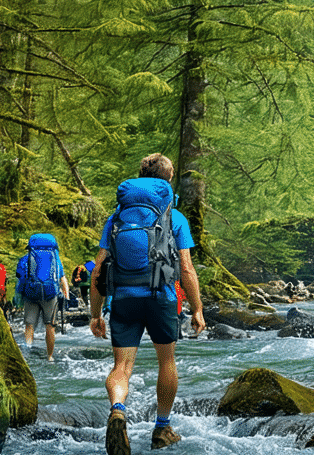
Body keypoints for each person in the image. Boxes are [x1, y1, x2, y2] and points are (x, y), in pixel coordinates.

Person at [90, 153, 205, 454]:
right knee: (166, 362)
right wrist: (198, 308)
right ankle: (162, 429)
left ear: (140, 176)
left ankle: (118, 409)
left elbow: (98, 270)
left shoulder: (116, 218)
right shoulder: (174, 217)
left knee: (122, 367)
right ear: (168, 180)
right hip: (161, 298)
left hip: (124, 299)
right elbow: (187, 268)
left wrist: (95, 313)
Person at [15, 233, 69, 362]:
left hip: (30, 295)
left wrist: (18, 298)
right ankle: (49, 356)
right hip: (51, 295)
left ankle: (27, 353)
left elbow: (20, 279)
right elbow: (62, 279)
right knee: (50, 326)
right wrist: (66, 296)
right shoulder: (55, 259)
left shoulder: (25, 259)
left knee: (29, 325)